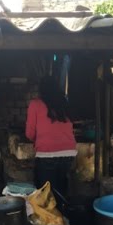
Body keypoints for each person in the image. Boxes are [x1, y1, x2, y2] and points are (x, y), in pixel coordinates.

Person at [26, 75, 77, 204]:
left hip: (46, 154)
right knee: (60, 191)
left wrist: (38, 138)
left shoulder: (35, 104)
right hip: (68, 154)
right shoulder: (64, 103)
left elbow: (29, 134)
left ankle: (49, 220)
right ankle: (63, 218)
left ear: (41, 90)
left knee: (45, 194)